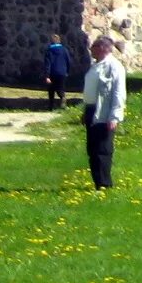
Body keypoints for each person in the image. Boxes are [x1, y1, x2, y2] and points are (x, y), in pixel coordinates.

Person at [81, 34, 127, 190]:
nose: (91, 50)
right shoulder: (96, 65)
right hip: (92, 110)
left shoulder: (114, 67)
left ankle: (104, 184)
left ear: (102, 48)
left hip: (104, 112)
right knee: (92, 149)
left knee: (103, 149)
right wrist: (85, 110)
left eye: (93, 47)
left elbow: (118, 93)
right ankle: (97, 182)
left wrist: (114, 116)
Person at [42, 33, 72, 109]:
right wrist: (67, 71)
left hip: (52, 73)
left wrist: (47, 76)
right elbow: (69, 61)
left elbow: (47, 64)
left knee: (51, 89)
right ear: (59, 41)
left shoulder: (49, 51)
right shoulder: (65, 50)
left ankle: (51, 105)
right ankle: (63, 99)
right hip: (62, 72)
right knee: (60, 88)